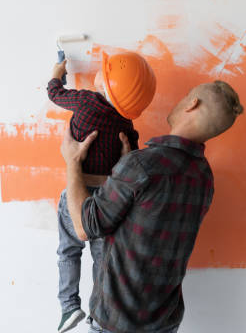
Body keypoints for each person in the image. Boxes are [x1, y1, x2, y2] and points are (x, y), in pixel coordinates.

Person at [60, 81, 244, 333]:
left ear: (193, 103)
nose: (181, 100)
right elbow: (149, 218)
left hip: (116, 323)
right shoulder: (204, 178)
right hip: (164, 323)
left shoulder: (142, 166)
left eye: (186, 93)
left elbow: (84, 228)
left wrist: (72, 161)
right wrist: (123, 172)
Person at [49, 51, 156, 333]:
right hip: (107, 200)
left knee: (68, 251)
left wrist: (57, 72)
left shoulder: (85, 101)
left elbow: (54, 93)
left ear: (105, 81)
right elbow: (132, 156)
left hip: (77, 190)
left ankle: (70, 306)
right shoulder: (126, 124)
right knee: (102, 258)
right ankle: (98, 310)